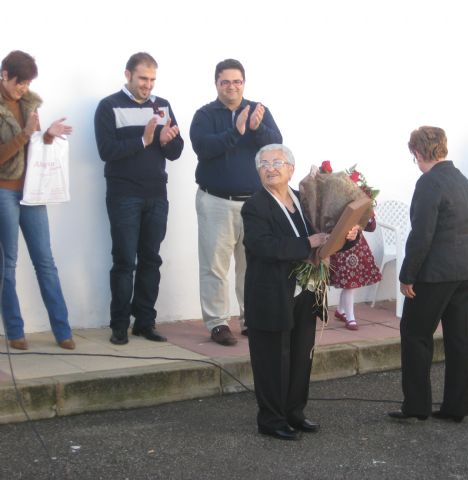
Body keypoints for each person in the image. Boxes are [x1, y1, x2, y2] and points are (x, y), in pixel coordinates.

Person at [241, 144, 359, 440]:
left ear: (291, 169)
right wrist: (307, 243)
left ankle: (294, 412)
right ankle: (271, 419)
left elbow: (325, 236)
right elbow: (262, 245)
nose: (270, 168)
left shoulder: (304, 198)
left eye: (277, 162)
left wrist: (348, 237)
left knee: (299, 357)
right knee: (271, 360)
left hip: (305, 293)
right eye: (264, 164)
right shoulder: (255, 205)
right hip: (271, 294)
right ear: (258, 172)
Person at [388, 126, 468, 423]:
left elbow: (422, 235)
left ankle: (416, 406)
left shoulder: (429, 183)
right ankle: (456, 407)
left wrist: (407, 275)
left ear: (416, 153)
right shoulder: (461, 178)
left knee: (415, 335)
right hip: (466, 270)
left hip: (436, 273)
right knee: (458, 339)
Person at [190, 59, 282, 346]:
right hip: (216, 202)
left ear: (244, 83)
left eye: (237, 81)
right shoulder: (205, 115)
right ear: (216, 83)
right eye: (225, 81)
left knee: (251, 266)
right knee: (215, 267)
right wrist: (236, 132)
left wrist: (256, 129)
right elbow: (203, 148)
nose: (232, 86)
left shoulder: (258, 111)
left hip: (254, 204)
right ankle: (218, 323)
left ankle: (250, 319)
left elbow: (275, 145)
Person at [94, 52, 183, 345]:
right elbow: (106, 151)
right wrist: (144, 140)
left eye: (152, 79)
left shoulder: (162, 106)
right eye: (143, 78)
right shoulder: (108, 106)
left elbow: (175, 150)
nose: (148, 85)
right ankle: (119, 324)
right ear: (128, 75)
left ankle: (144, 322)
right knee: (123, 262)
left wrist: (167, 142)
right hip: (124, 195)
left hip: (157, 194)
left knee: (151, 260)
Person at [0, 50, 74, 351]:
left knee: (45, 262)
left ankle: (63, 330)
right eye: (19, 82)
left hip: (32, 192)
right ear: (4, 75)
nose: (23, 88)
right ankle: (15, 331)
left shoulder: (30, 104)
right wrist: (26, 134)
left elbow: (31, 149)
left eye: (28, 82)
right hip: (4, 191)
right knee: (8, 264)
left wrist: (45, 136)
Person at [331, 215, 381, 330]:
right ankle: (350, 318)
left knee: (350, 283)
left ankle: (341, 311)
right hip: (342, 245)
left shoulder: (364, 199)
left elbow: (371, 226)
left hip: (357, 246)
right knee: (349, 283)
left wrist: (368, 216)